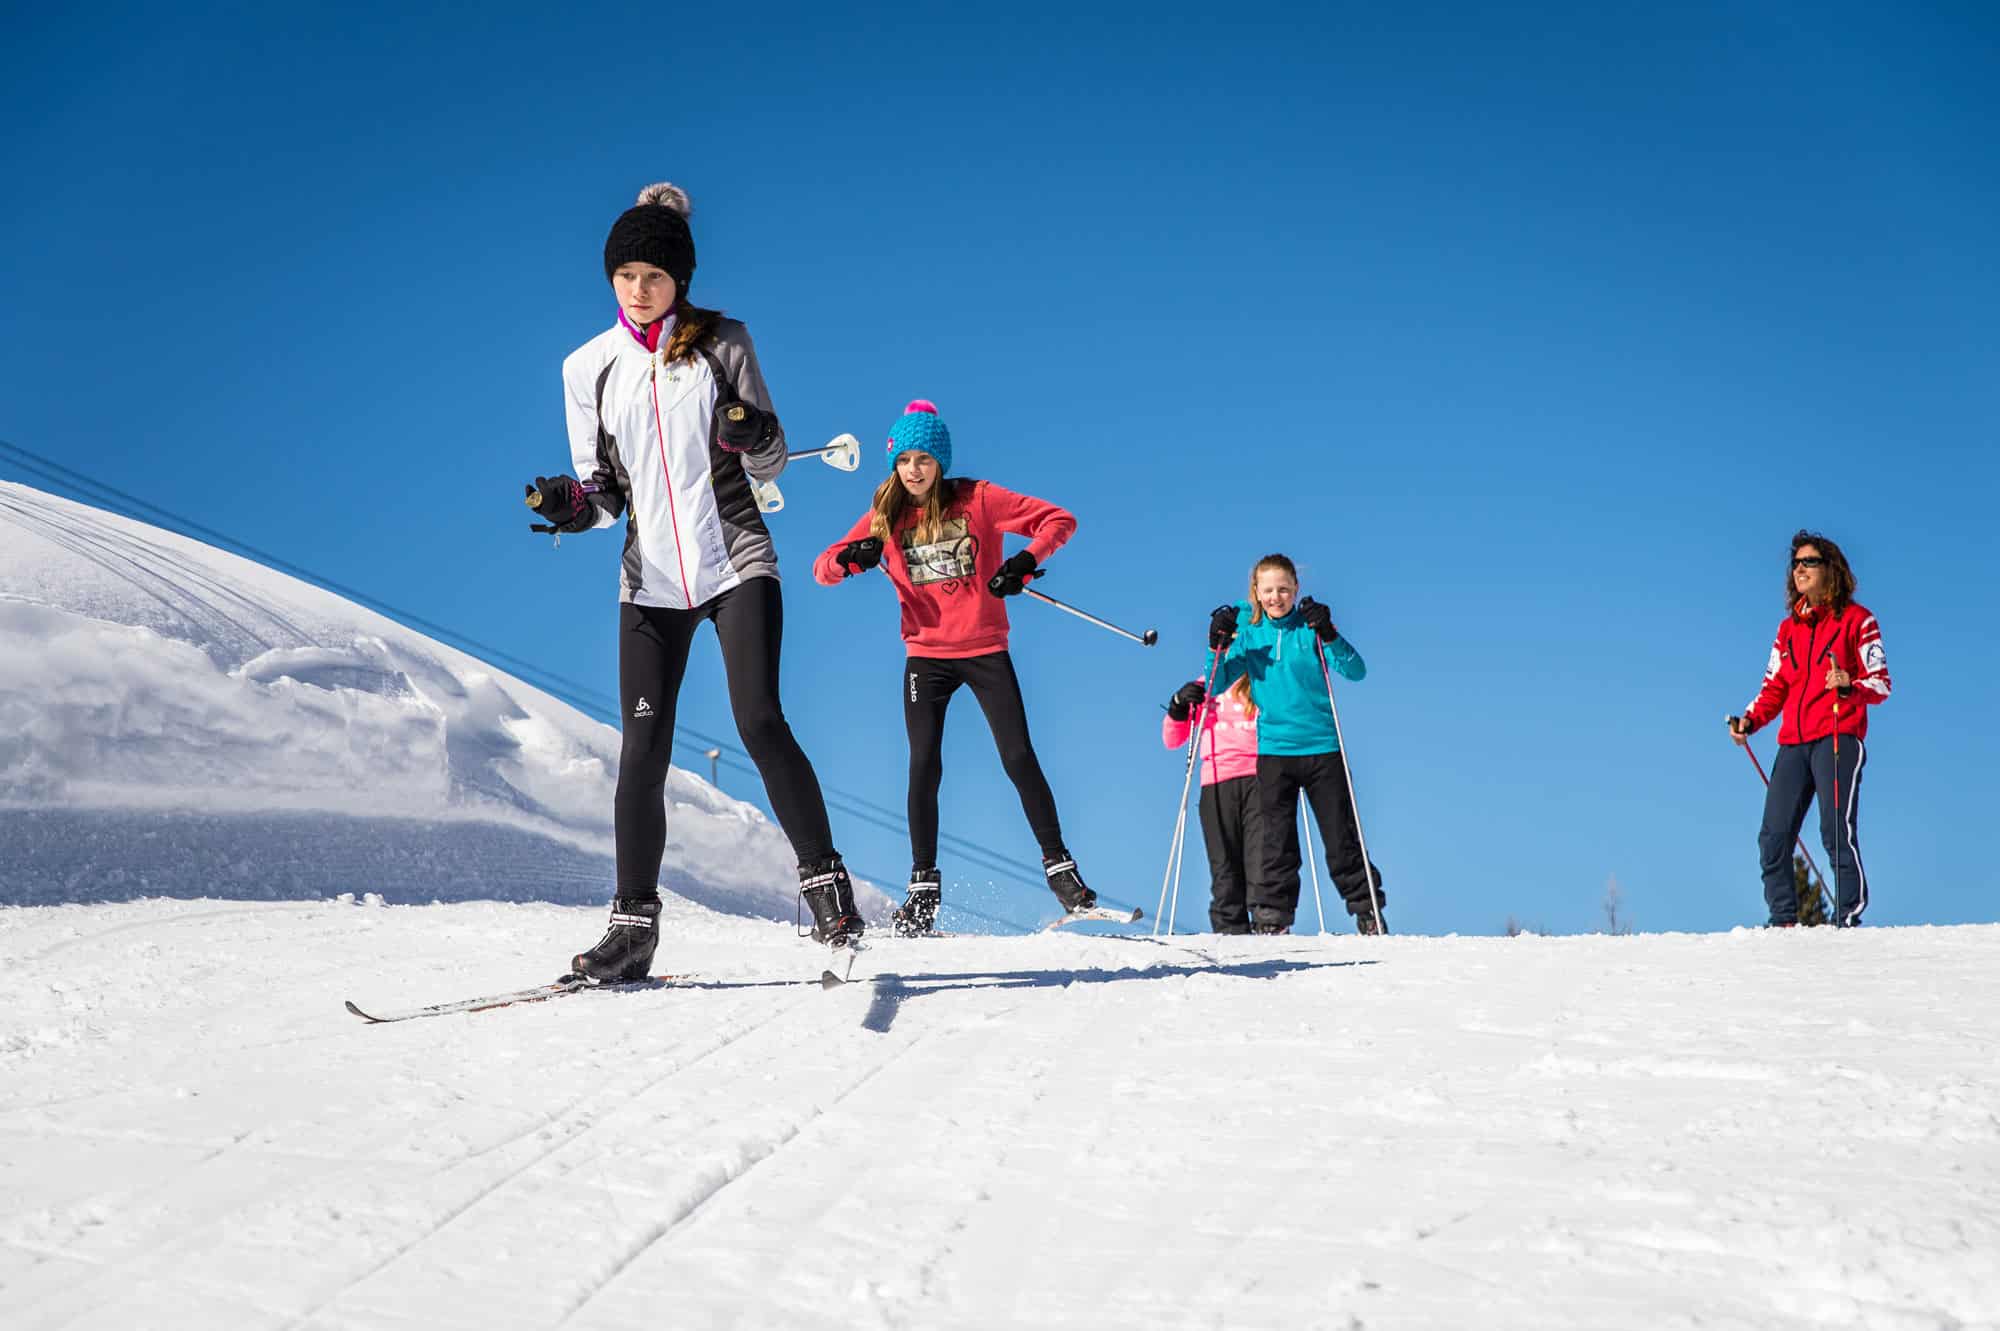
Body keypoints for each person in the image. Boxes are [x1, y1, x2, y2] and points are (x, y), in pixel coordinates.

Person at [528, 182, 864, 982]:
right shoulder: (587, 368)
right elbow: (604, 492)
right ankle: (632, 927)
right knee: (641, 751)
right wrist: (572, 506)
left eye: (654, 276)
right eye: (625, 276)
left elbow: (773, 460)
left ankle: (827, 890)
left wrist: (752, 432)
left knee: (758, 719)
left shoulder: (724, 343)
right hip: (649, 580)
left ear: (679, 278)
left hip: (735, 557)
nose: (639, 291)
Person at [813, 400, 1092, 934]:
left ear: (940, 459)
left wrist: (1025, 564)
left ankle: (1062, 873)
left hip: (985, 648)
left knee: (1017, 755)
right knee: (924, 765)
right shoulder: (885, 515)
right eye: (903, 460)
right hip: (926, 656)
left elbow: (1059, 520)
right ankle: (922, 890)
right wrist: (850, 560)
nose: (913, 470)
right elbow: (822, 567)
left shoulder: (979, 499)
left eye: (923, 458)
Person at [1208, 553, 1386, 934]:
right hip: (1274, 752)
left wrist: (1330, 633)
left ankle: (1367, 910)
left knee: (1342, 838)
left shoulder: (1309, 628)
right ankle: (1272, 918)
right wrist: (1217, 646)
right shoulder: (1251, 636)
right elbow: (1216, 683)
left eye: (1283, 589)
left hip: (1322, 748)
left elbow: (1356, 670)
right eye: (1269, 590)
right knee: (1274, 843)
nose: (1276, 598)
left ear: (1296, 590)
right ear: (1257, 592)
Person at [1729, 530, 1891, 927]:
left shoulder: (1858, 621)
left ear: (1829, 570)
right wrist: (1750, 719)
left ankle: (1848, 915)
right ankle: (1783, 919)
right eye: (1795, 564)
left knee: (1834, 832)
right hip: (1793, 742)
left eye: (1808, 562)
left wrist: (1848, 684)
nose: (1799, 569)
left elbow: (1881, 683)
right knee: (1773, 836)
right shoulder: (1788, 631)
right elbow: (1774, 686)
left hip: (1837, 736)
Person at [1161, 674, 1263, 933]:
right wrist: (1178, 705)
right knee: (1224, 864)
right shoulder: (1209, 680)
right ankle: (1231, 930)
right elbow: (1172, 740)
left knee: (1261, 859)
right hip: (1217, 780)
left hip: (1260, 777)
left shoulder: (1264, 675)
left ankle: (1268, 924)